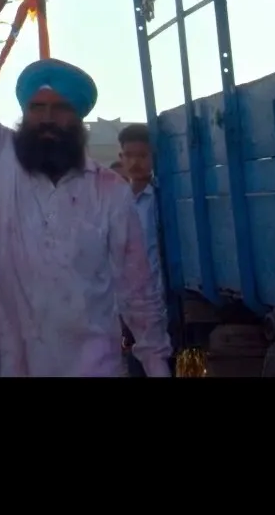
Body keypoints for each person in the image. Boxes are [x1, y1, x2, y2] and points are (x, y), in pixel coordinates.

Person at [0, 0, 172, 377]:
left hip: (91, 365)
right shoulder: (2, 161)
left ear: (78, 117)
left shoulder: (110, 191)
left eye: (59, 109)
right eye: (37, 108)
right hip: (9, 363)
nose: (47, 119)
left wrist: (157, 363)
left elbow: (137, 288)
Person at [116, 123, 166, 377]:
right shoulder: (116, 202)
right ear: (121, 157)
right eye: (130, 155)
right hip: (128, 308)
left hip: (162, 305)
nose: (136, 162)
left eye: (143, 156)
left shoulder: (162, 199)